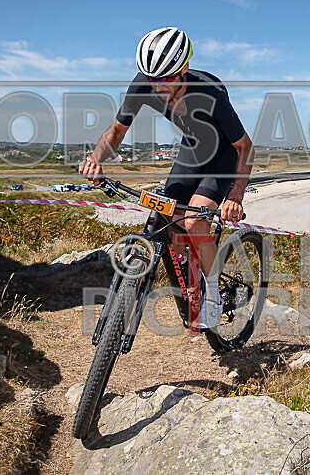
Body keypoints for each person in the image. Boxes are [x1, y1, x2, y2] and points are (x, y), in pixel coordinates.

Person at [78, 26, 254, 330]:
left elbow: (245, 147)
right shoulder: (144, 83)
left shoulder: (209, 94)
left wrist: (235, 196)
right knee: (166, 214)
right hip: (193, 149)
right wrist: (96, 159)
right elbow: (117, 131)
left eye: (165, 80)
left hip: (223, 154)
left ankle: (213, 294)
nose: (157, 87)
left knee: (194, 221)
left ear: (183, 69)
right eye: (152, 80)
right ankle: (190, 270)